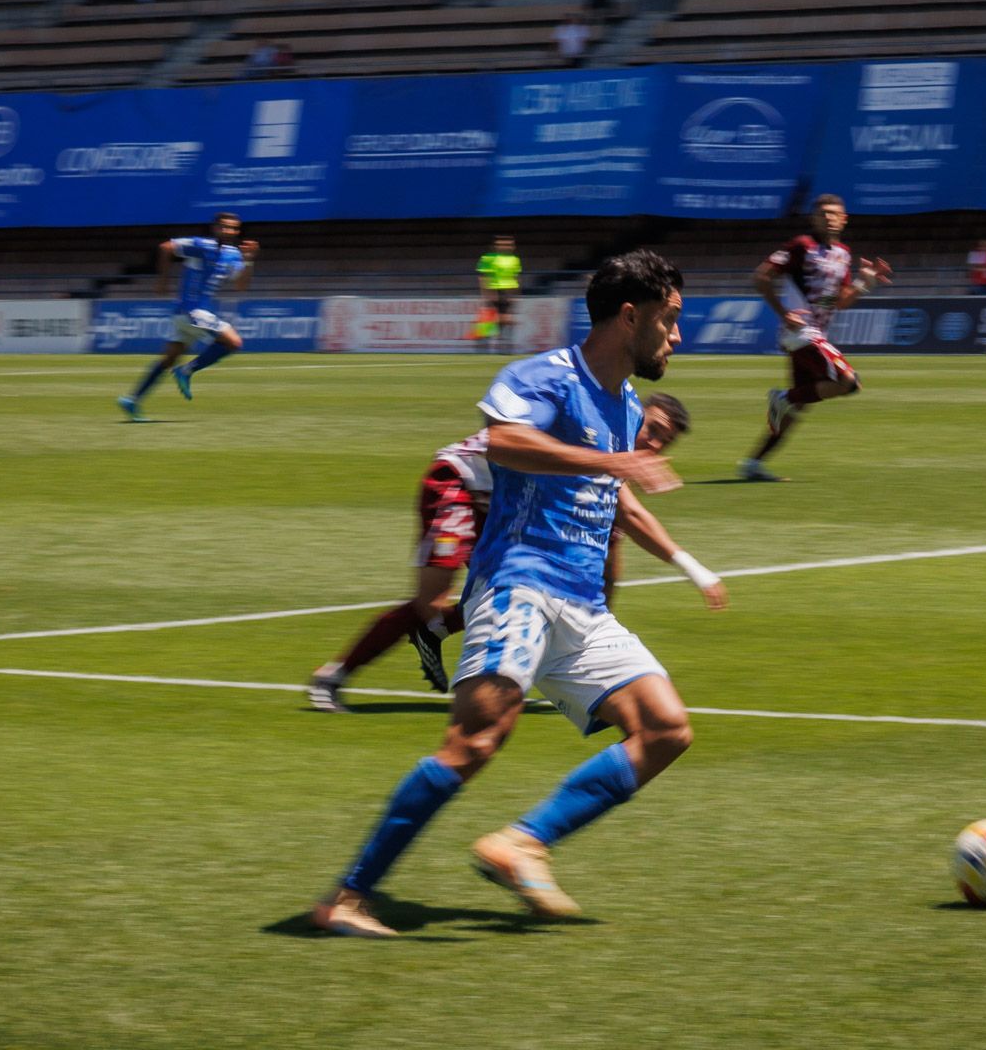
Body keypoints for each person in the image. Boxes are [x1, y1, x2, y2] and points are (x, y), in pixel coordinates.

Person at [312, 249, 711, 938]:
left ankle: (521, 843)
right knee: (473, 743)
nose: (677, 336)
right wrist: (611, 461)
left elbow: (609, 494)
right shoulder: (546, 375)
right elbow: (503, 442)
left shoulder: (624, 405)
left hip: (582, 608)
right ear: (630, 316)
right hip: (518, 587)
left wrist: (682, 559)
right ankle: (346, 897)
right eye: (669, 320)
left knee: (666, 729)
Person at [305, 393, 718, 713]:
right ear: (636, 414)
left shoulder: (614, 455)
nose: (654, 443)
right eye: (653, 428)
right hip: (459, 484)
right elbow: (632, 513)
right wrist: (696, 571)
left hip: (504, 504)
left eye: (665, 441)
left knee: (523, 589)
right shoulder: (600, 433)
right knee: (430, 602)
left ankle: (437, 632)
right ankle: (332, 676)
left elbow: (614, 548)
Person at [737, 195, 890, 483]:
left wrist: (864, 282)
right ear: (814, 219)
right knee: (848, 382)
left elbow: (837, 301)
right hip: (801, 333)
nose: (828, 218)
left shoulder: (843, 254)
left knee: (796, 409)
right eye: (822, 213)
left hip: (815, 335)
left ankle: (752, 464)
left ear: (844, 219)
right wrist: (784, 313)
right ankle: (782, 397)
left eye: (833, 213)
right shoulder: (801, 246)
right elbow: (761, 277)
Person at [117, 213, 256, 422]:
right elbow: (166, 247)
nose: (230, 231)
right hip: (192, 311)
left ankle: (132, 400)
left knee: (168, 360)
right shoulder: (201, 245)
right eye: (225, 226)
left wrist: (249, 260)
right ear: (215, 228)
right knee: (233, 342)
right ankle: (186, 371)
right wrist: (163, 281)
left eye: (234, 228)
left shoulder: (233, 254)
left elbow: (240, 286)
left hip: (189, 315)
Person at [475, 234, 523, 354]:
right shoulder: (488, 258)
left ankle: (504, 347)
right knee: (489, 319)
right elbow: (483, 277)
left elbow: (516, 277)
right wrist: (487, 293)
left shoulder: (515, 259)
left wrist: (515, 295)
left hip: (508, 291)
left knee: (506, 320)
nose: (505, 247)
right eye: (502, 244)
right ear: (496, 246)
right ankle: (482, 346)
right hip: (494, 290)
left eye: (508, 245)